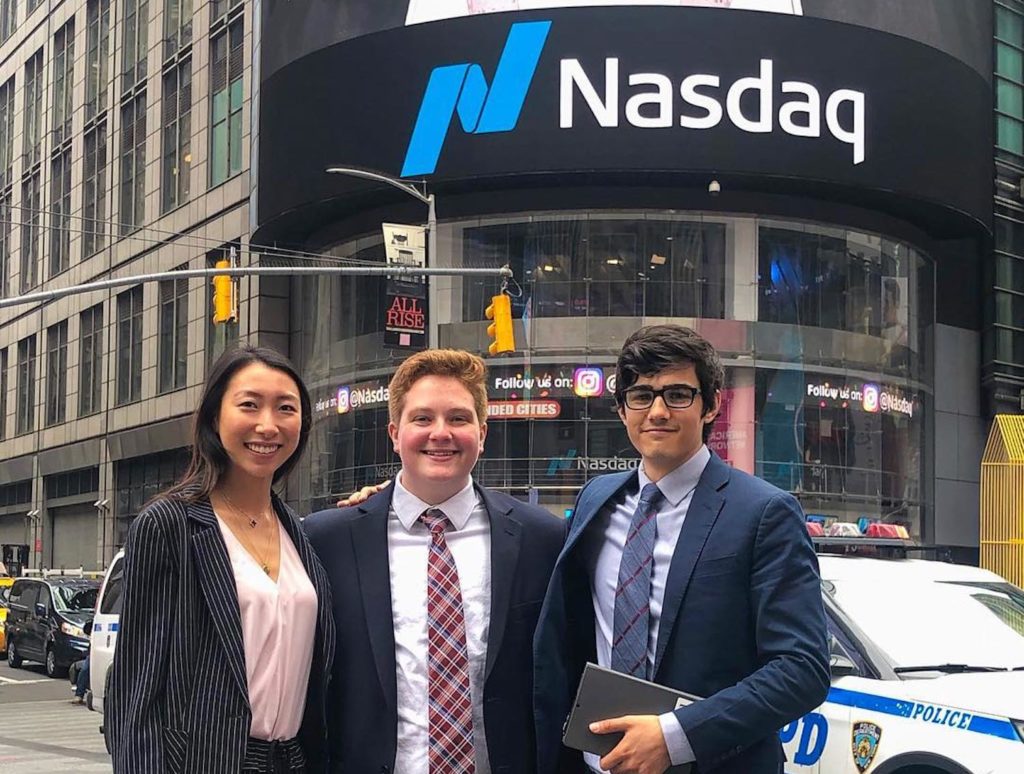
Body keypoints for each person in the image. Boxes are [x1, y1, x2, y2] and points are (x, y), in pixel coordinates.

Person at [533, 325, 830, 774]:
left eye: (677, 395)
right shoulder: (597, 498)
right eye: (641, 395)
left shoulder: (765, 513)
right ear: (621, 410)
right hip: (598, 763)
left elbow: (801, 669)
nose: (657, 411)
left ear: (711, 405)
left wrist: (676, 737)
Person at [304, 349, 565, 773]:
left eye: (458, 419)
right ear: (395, 432)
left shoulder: (542, 538)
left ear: (483, 432)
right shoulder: (329, 540)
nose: (440, 433)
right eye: (422, 418)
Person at [106, 345, 336, 773]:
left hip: (295, 761)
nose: (268, 425)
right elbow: (135, 692)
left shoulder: (300, 534)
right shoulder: (170, 525)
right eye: (249, 405)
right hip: (205, 761)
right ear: (215, 416)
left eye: (286, 408)